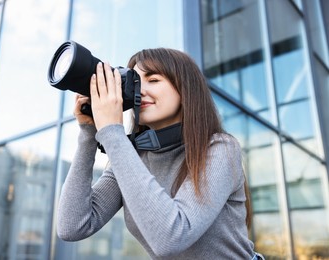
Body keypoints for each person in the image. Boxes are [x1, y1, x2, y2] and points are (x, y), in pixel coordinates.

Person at [57, 47, 263, 259]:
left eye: (153, 80)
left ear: (185, 90)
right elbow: (73, 226)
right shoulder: (133, 156)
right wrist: (89, 134)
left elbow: (173, 236)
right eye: (135, 81)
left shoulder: (220, 148)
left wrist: (112, 132)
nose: (140, 90)